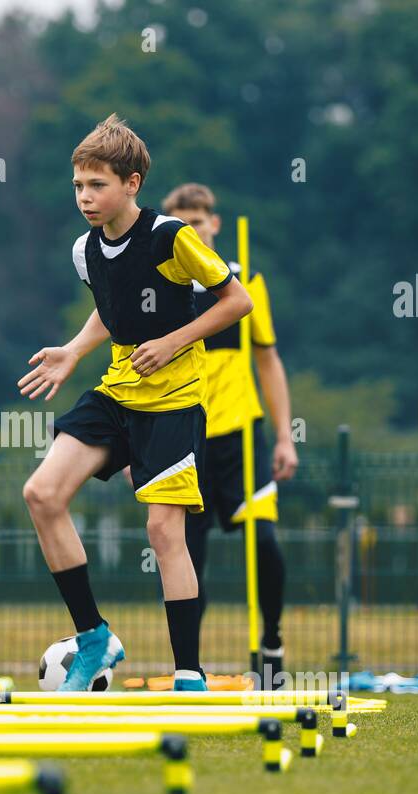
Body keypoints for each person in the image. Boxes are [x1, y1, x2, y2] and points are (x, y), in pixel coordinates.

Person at [18, 114, 252, 692]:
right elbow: (113, 305)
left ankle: (189, 674)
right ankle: (94, 638)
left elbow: (236, 300)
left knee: (163, 532)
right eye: (77, 185)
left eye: (97, 185)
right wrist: (74, 350)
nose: (85, 197)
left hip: (175, 402)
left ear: (132, 183)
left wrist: (172, 342)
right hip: (117, 392)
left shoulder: (172, 236)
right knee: (42, 493)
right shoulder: (85, 249)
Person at [161, 183, 297, 687]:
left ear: (214, 224)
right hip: (183, 434)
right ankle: (188, 667)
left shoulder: (246, 283)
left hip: (241, 435)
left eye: (199, 220)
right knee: (186, 556)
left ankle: (272, 641)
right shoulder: (162, 287)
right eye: (182, 222)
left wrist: (285, 436)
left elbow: (268, 359)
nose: (192, 228)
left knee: (263, 541)